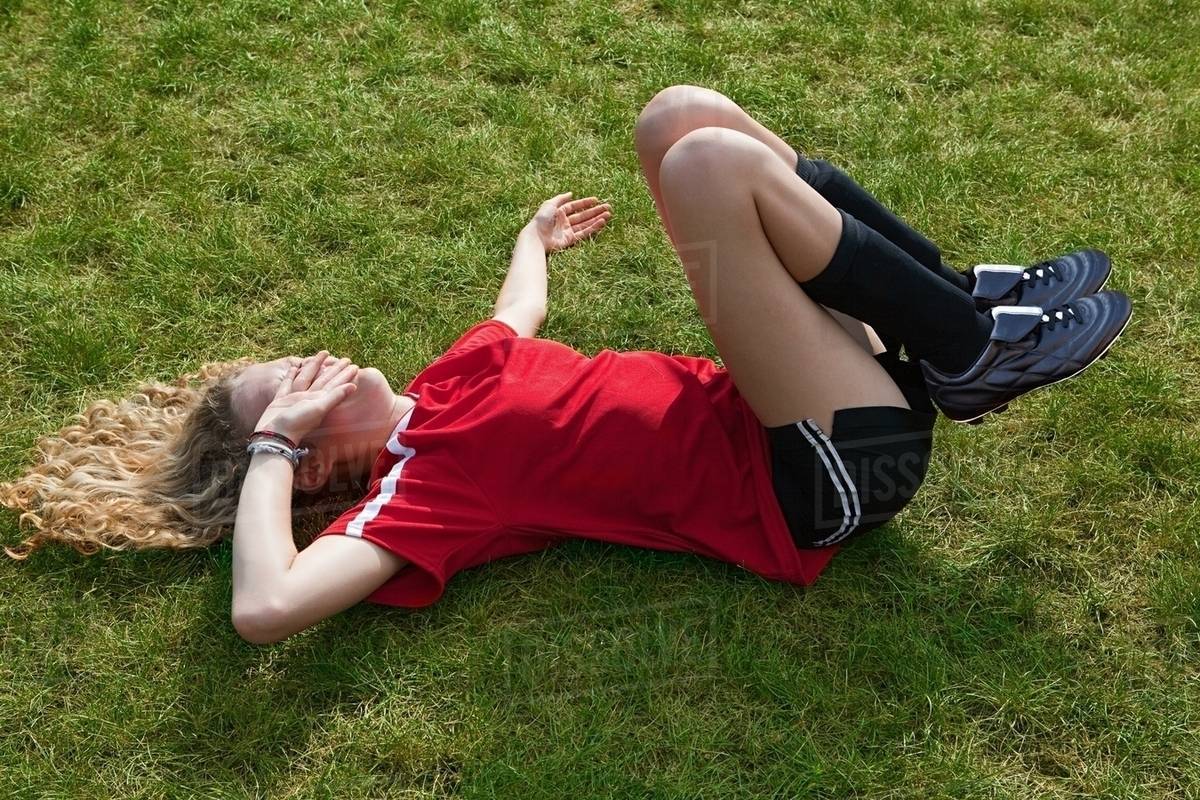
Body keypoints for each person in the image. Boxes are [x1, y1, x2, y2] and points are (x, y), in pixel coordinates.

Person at [1, 86, 1131, 645]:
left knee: (677, 119)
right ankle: (969, 349)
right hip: (823, 476)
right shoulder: (420, 493)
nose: (316, 359)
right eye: (294, 387)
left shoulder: (450, 381)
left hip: (809, 399)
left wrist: (530, 241)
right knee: (706, 169)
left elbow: (519, 318)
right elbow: (266, 607)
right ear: (310, 459)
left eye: (289, 359)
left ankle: (961, 308)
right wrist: (264, 448)